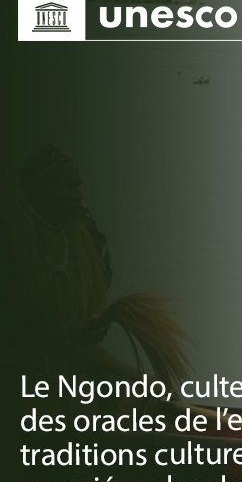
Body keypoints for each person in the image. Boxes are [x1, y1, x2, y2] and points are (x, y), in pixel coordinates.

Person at [3, 144, 186, 389]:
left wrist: (141, 379)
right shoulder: (12, 240)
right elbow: (20, 332)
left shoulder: (83, 242)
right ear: (40, 188)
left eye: (78, 185)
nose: (79, 194)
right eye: (69, 186)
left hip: (70, 397)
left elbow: (81, 351)